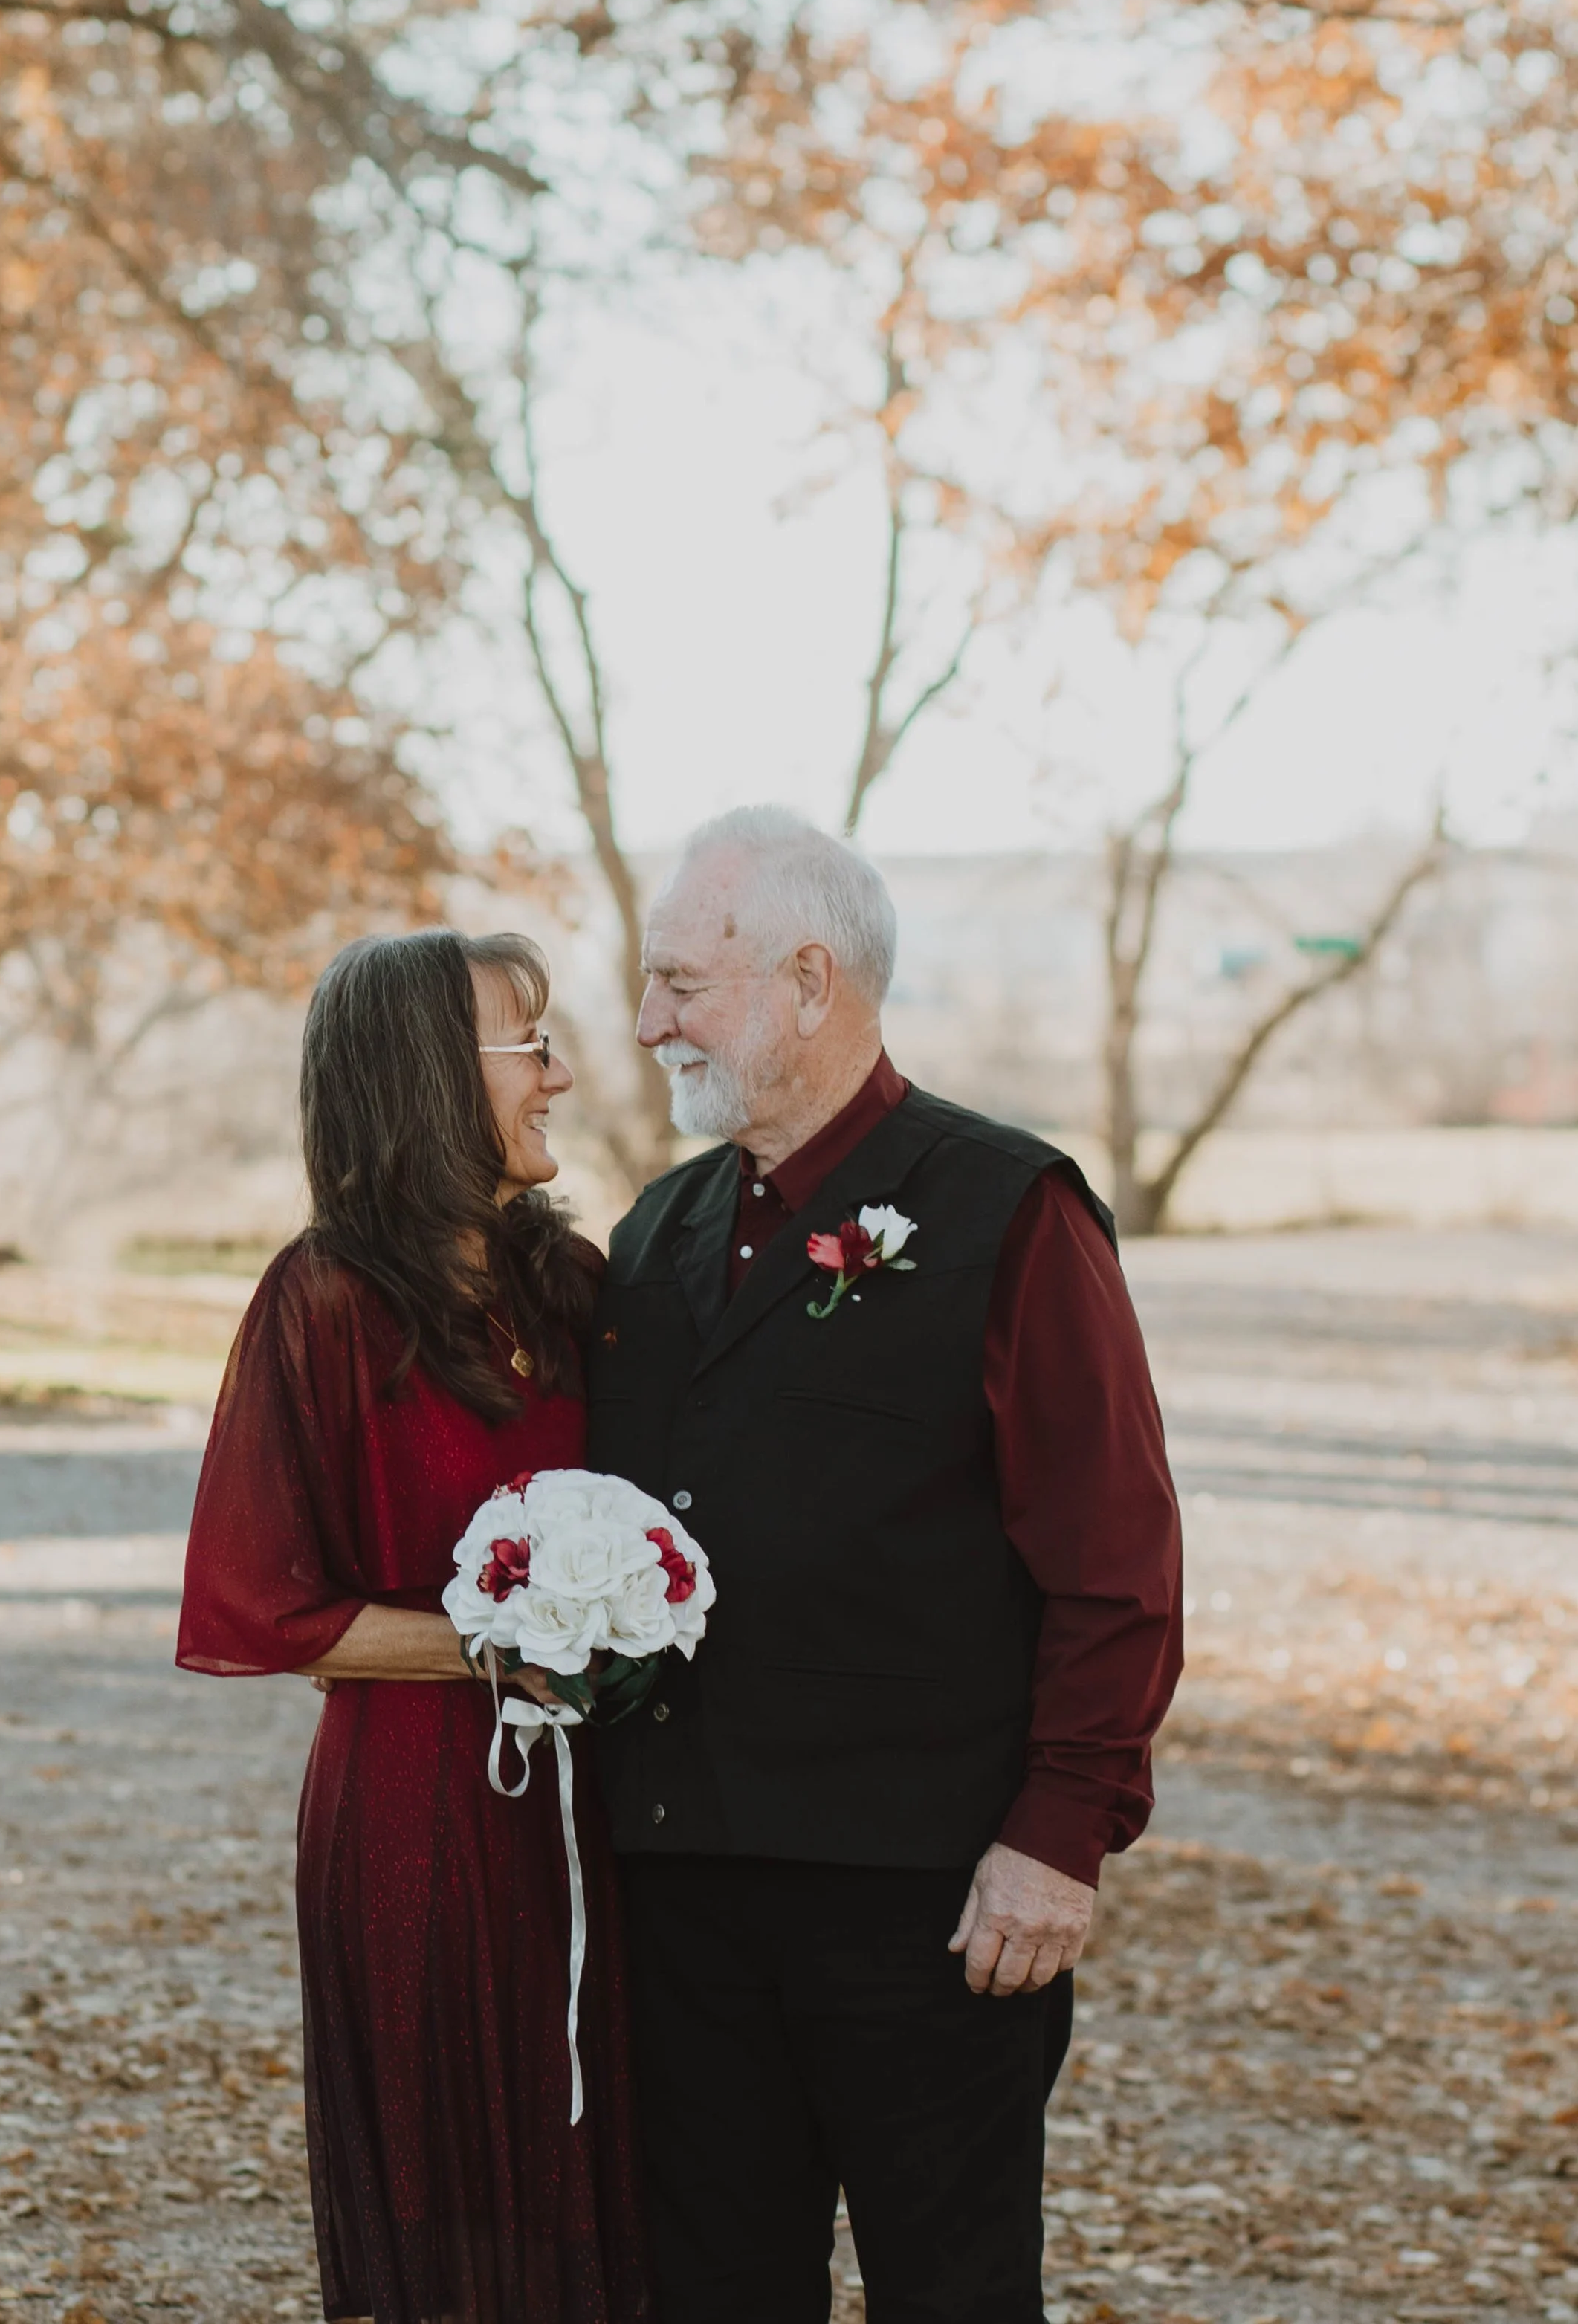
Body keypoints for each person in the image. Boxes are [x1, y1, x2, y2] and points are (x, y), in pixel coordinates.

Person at [589, 806, 1184, 2324]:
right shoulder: (658, 1229)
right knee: (710, 2292)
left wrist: (1061, 1833)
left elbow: (1113, 1559)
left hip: (929, 1904)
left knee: (951, 2295)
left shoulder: (1009, 1210)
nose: (644, 1020)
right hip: (682, 1894)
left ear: (804, 980)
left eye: (676, 981)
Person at [177, 929, 650, 2324]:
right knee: (455, 2195)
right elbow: (271, 1610)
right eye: (532, 1048)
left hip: (596, 1817)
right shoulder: (321, 1300)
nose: (561, 1075)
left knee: (602, 2157)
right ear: (432, 1079)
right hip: (418, 1815)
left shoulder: (568, 1287)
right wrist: (507, 1638)